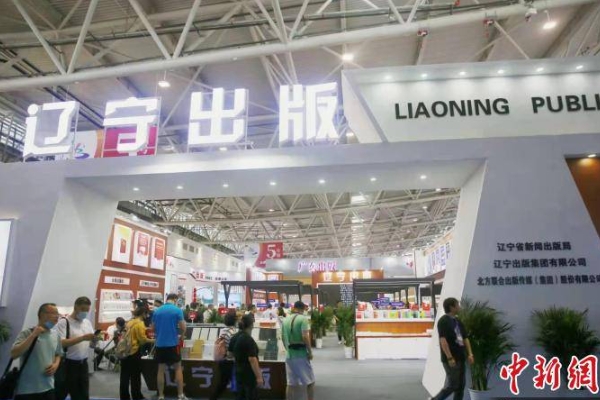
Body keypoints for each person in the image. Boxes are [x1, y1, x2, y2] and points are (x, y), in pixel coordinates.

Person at [11, 303, 62, 400]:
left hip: (48, 387)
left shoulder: (56, 335)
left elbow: (58, 354)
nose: (57, 317)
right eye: (54, 313)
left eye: (57, 314)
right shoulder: (27, 333)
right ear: (42, 315)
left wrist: (56, 365)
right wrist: (33, 335)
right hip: (27, 390)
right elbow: (14, 354)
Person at [430, 298, 475, 400]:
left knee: (461, 386)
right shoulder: (443, 321)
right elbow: (443, 341)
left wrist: (470, 354)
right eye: (457, 305)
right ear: (451, 307)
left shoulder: (458, 321)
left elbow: (465, 338)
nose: (459, 307)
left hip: (461, 357)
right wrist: (449, 357)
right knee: (452, 385)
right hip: (451, 359)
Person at [55, 296, 98, 400]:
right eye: (82, 309)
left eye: (87, 310)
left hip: (83, 364)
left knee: (83, 395)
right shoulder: (64, 322)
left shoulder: (87, 322)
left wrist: (94, 340)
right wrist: (82, 338)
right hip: (68, 364)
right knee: (60, 394)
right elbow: (62, 343)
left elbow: (91, 345)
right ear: (75, 307)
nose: (85, 312)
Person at [152, 293, 187, 400]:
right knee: (178, 368)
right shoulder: (177, 310)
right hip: (173, 344)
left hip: (160, 344)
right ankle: (180, 395)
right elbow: (183, 327)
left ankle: (161, 395)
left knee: (160, 370)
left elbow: (153, 328)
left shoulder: (157, 311)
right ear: (175, 299)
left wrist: (159, 334)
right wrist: (181, 336)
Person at [282, 301, 315, 400]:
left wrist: (288, 349)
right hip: (301, 354)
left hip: (289, 355)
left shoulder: (285, 320)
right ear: (302, 309)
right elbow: (305, 336)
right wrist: (310, 352)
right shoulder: (303, 319)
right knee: (310, 382)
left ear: (294, 308)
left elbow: (283, 338)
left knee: (290, 383)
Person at [120, 307, 155, 400]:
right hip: (134, 352)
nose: (147, 315)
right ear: (143, 313)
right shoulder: (140, 324)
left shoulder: (130, 322)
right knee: (135, 376)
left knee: (124, 376)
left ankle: (124, 396)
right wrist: (154, 340)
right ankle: (136, 395)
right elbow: (142, 340)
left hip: (124, 351)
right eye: (147, 313)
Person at [231, 314, 263, 400]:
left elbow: (229, 353)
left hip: (238, 371)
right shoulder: (248, 339)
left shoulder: (235, 337)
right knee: (251, 395)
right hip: (249, 374)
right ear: (251, 325)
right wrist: (259, 377)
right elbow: (252, 359)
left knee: (240, 395)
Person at [209, 311, 238, 400]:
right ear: (235, 320)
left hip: (223, 360)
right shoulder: (233, 332)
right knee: (232, 384)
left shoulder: (223, 330)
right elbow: (233, 347)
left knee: (223, 383)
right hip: (230, 361)